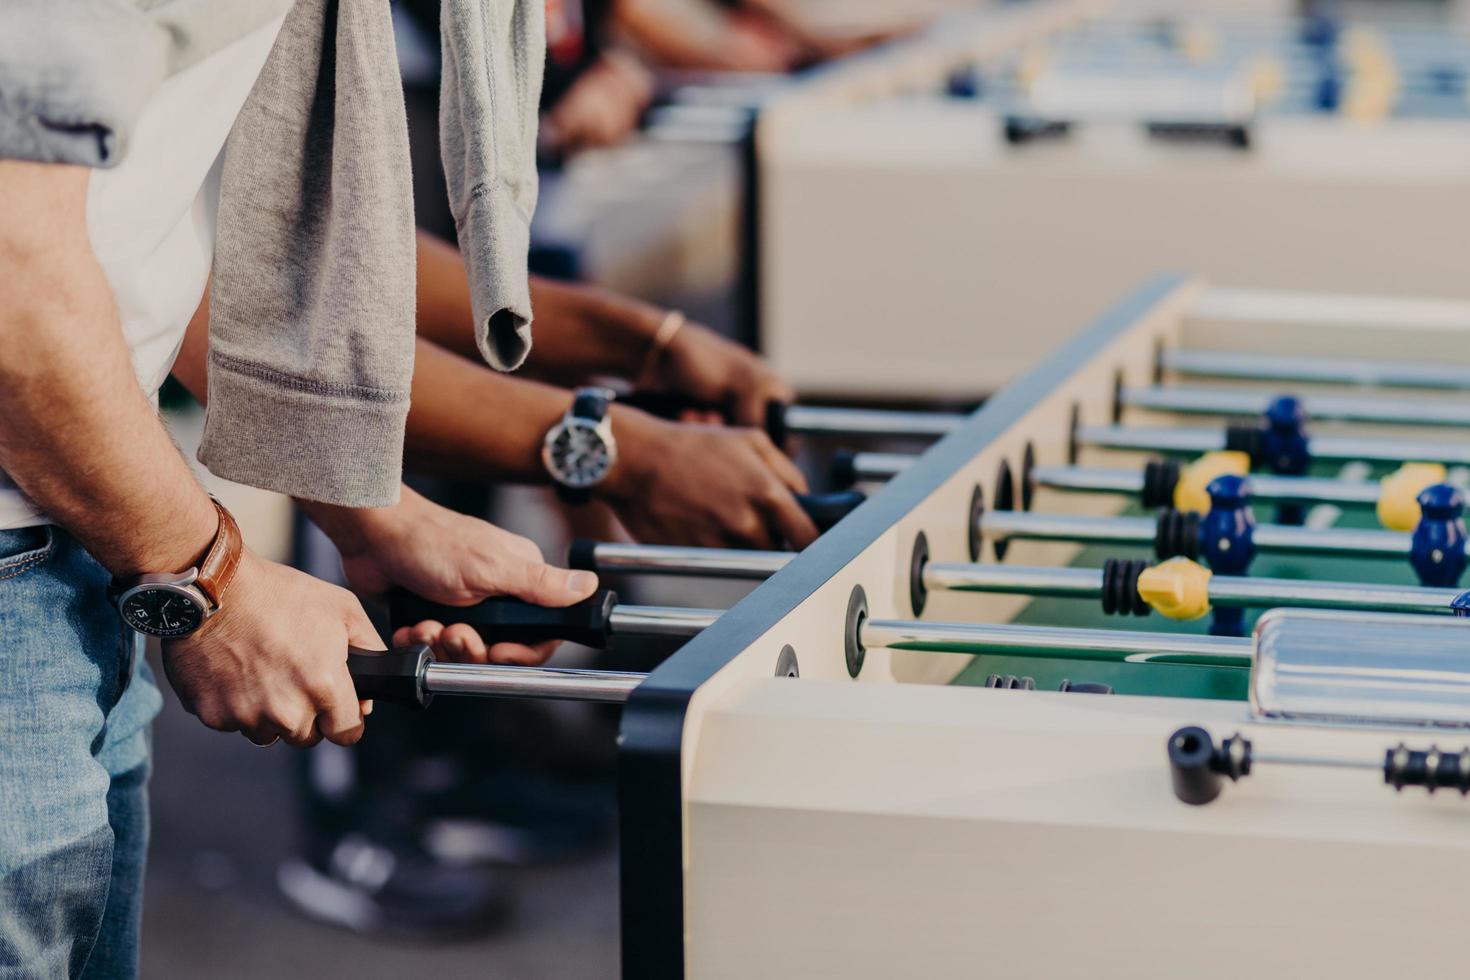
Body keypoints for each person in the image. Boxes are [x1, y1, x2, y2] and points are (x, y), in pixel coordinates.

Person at [0, 2, 583, 975]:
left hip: (74, 545)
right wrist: (207, 582)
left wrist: (368, 509)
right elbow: (15, 273)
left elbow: (125, 250)